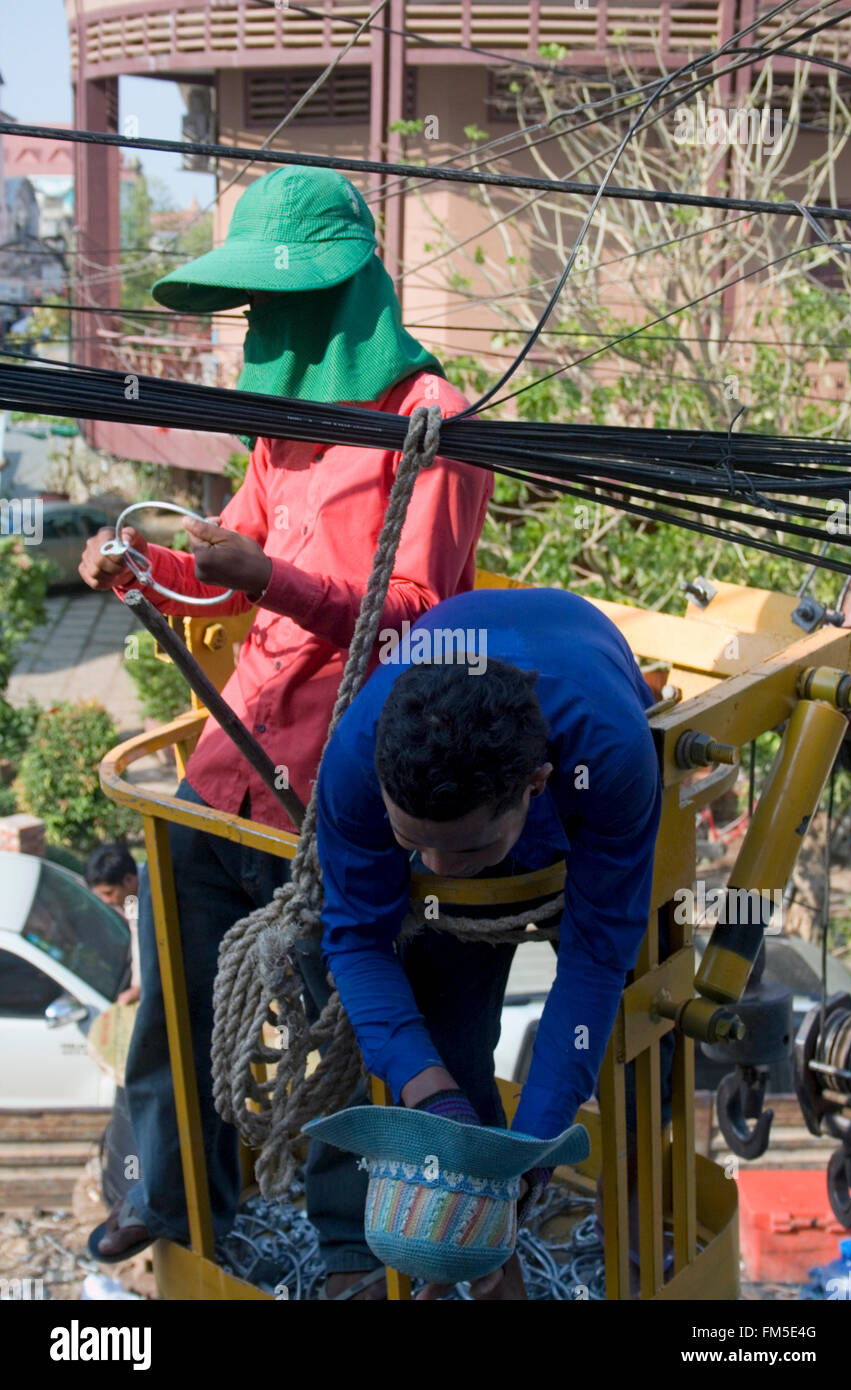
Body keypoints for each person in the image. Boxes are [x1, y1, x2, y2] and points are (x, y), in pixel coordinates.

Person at [77, 165, 494, 1290]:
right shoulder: (279, 424)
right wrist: (148, 566)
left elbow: (417, 612)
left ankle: (346, 1253)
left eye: (275, 306)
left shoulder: (432, 422)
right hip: (235, 761)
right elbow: (227, 568)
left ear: (341, 296)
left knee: (339, 1011)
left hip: (346, 776)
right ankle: (166, 1192)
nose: (260, 328)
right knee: (177, 974)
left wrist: (272, 575)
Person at [312, 586, 663, 1299]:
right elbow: (356, 941)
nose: (439, 872)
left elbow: (597, 957)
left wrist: (531, 1156)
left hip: (587, 666)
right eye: (416, 845)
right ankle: (478, 1253)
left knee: (639, 1019)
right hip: (475, 679)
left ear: (538, 784)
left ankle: (631, 1224)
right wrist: (433, 1101)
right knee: (439, 1005)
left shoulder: (615, 757)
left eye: (468, 850)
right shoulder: (353, 761)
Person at [84, 843, 144, 1006]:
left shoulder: (152, 897)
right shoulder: (132, 898)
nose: (106, 901)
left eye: (109, 893)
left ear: (129, 880)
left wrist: (138, 987)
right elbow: (137, 937)